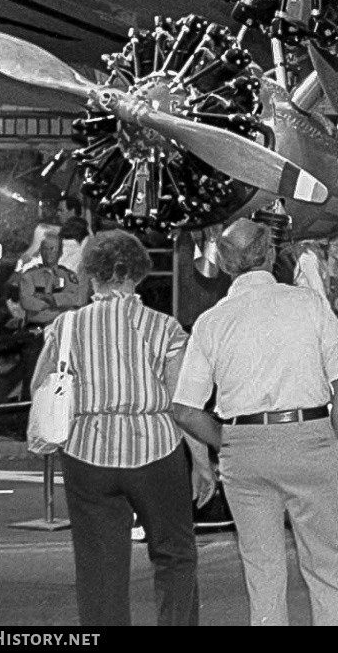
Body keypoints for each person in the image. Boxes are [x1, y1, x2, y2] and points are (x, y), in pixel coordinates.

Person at [171, 218, 338, 626]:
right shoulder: (309, 304)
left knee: (262, 570)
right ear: (272, 253)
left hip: (244, 445)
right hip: (308, 435)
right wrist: (329, 436)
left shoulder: (211, 322)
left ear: (223, 264)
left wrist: (228, 441)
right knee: (327, 567)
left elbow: (186, 409)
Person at [32, 229, 215, 626]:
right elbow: (181, 404)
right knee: (174, 554)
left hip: (87, 455)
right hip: (155, 453)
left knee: (99, 568)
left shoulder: (66, 326)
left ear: (91, 273)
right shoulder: (163, 327)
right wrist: (201, 463)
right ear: (140, 273)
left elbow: (39, 387)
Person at [0, 225, 87, 402]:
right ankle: (23, 399)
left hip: (37, 319)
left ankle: (7, 395)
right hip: (45, 320)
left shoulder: (32, 261)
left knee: (32, 361)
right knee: (33, 361)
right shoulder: (63, 261)